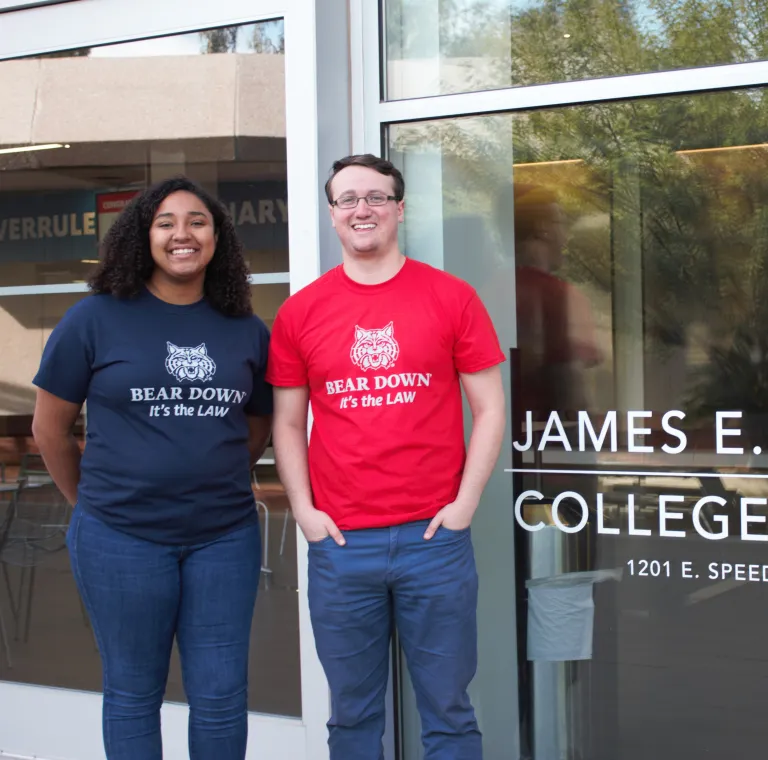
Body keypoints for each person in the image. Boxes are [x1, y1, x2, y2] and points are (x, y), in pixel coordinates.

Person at [267, 154, 506, 759]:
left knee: (449, 712)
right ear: (331, 215)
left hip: (435, 540)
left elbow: (491, 410)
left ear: (400, 209)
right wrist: (304, 511)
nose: (361, 209)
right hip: (342, 544)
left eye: (375, 197)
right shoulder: (301, 312)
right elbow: (288, 422)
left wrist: (464, 504)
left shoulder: (451, 297)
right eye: (347, 199)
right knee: (351, 717)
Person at [31, 176, 273, 759]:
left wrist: (209, 474)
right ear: (144, 236)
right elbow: (50, 429)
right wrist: (89, 502)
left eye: (197, 222)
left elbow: (258, 423)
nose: (182, 234)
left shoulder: (245, 328)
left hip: (223, 537)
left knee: (221, 697)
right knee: (134, 694)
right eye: (166, 222)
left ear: (218, 239)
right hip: (121, 538)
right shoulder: (94, 319)